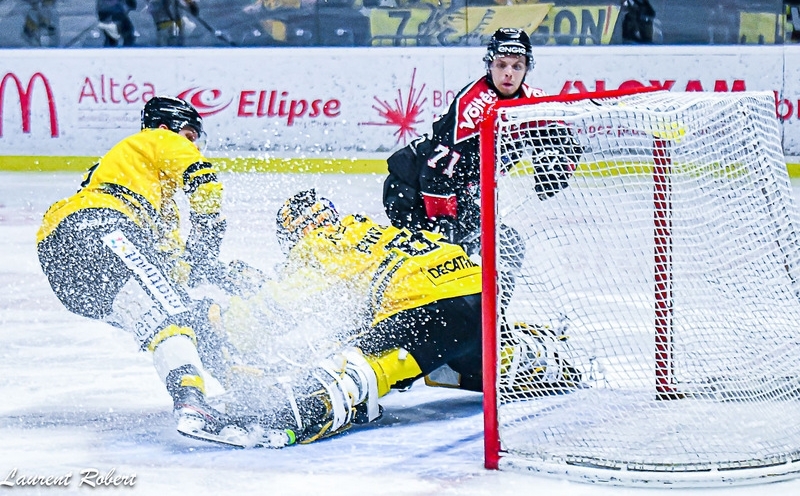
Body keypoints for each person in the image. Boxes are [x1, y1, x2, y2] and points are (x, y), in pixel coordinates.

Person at [210, 189, 582, 447]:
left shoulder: (319, 243)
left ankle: (295, 412)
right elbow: (364, 312)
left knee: (357, 367)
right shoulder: (369, 231)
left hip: (435, 313)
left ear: (298, 230)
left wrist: (223, 326)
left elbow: (276, 307)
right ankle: (541, 356)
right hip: (480, 301)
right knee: (450, 365)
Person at [36, 96, 257, 447]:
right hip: (98, 228)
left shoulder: (146, 195)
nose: (192, 145)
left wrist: (207, 271)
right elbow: (205, 183)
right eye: (189, 135)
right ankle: (192, 404)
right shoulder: (157, 138)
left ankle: (248, 388)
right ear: (167, 127)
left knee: (183, 314)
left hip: (69, 263)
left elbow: (172, 270)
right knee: (170, 315)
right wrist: (207, 239)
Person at [382, 28, 581, 258]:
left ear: (527, 68)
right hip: (411, 191)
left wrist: (561, 164)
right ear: (489, 65)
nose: (509, 73)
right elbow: (434, 172)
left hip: (457, 195)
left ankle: (493, 296)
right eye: (501, 65)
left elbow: (565, 139)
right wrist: (442, 226)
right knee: (440, 261)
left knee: (508, 247)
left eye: (517, 66)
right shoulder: (474, 107)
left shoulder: (531, 103)